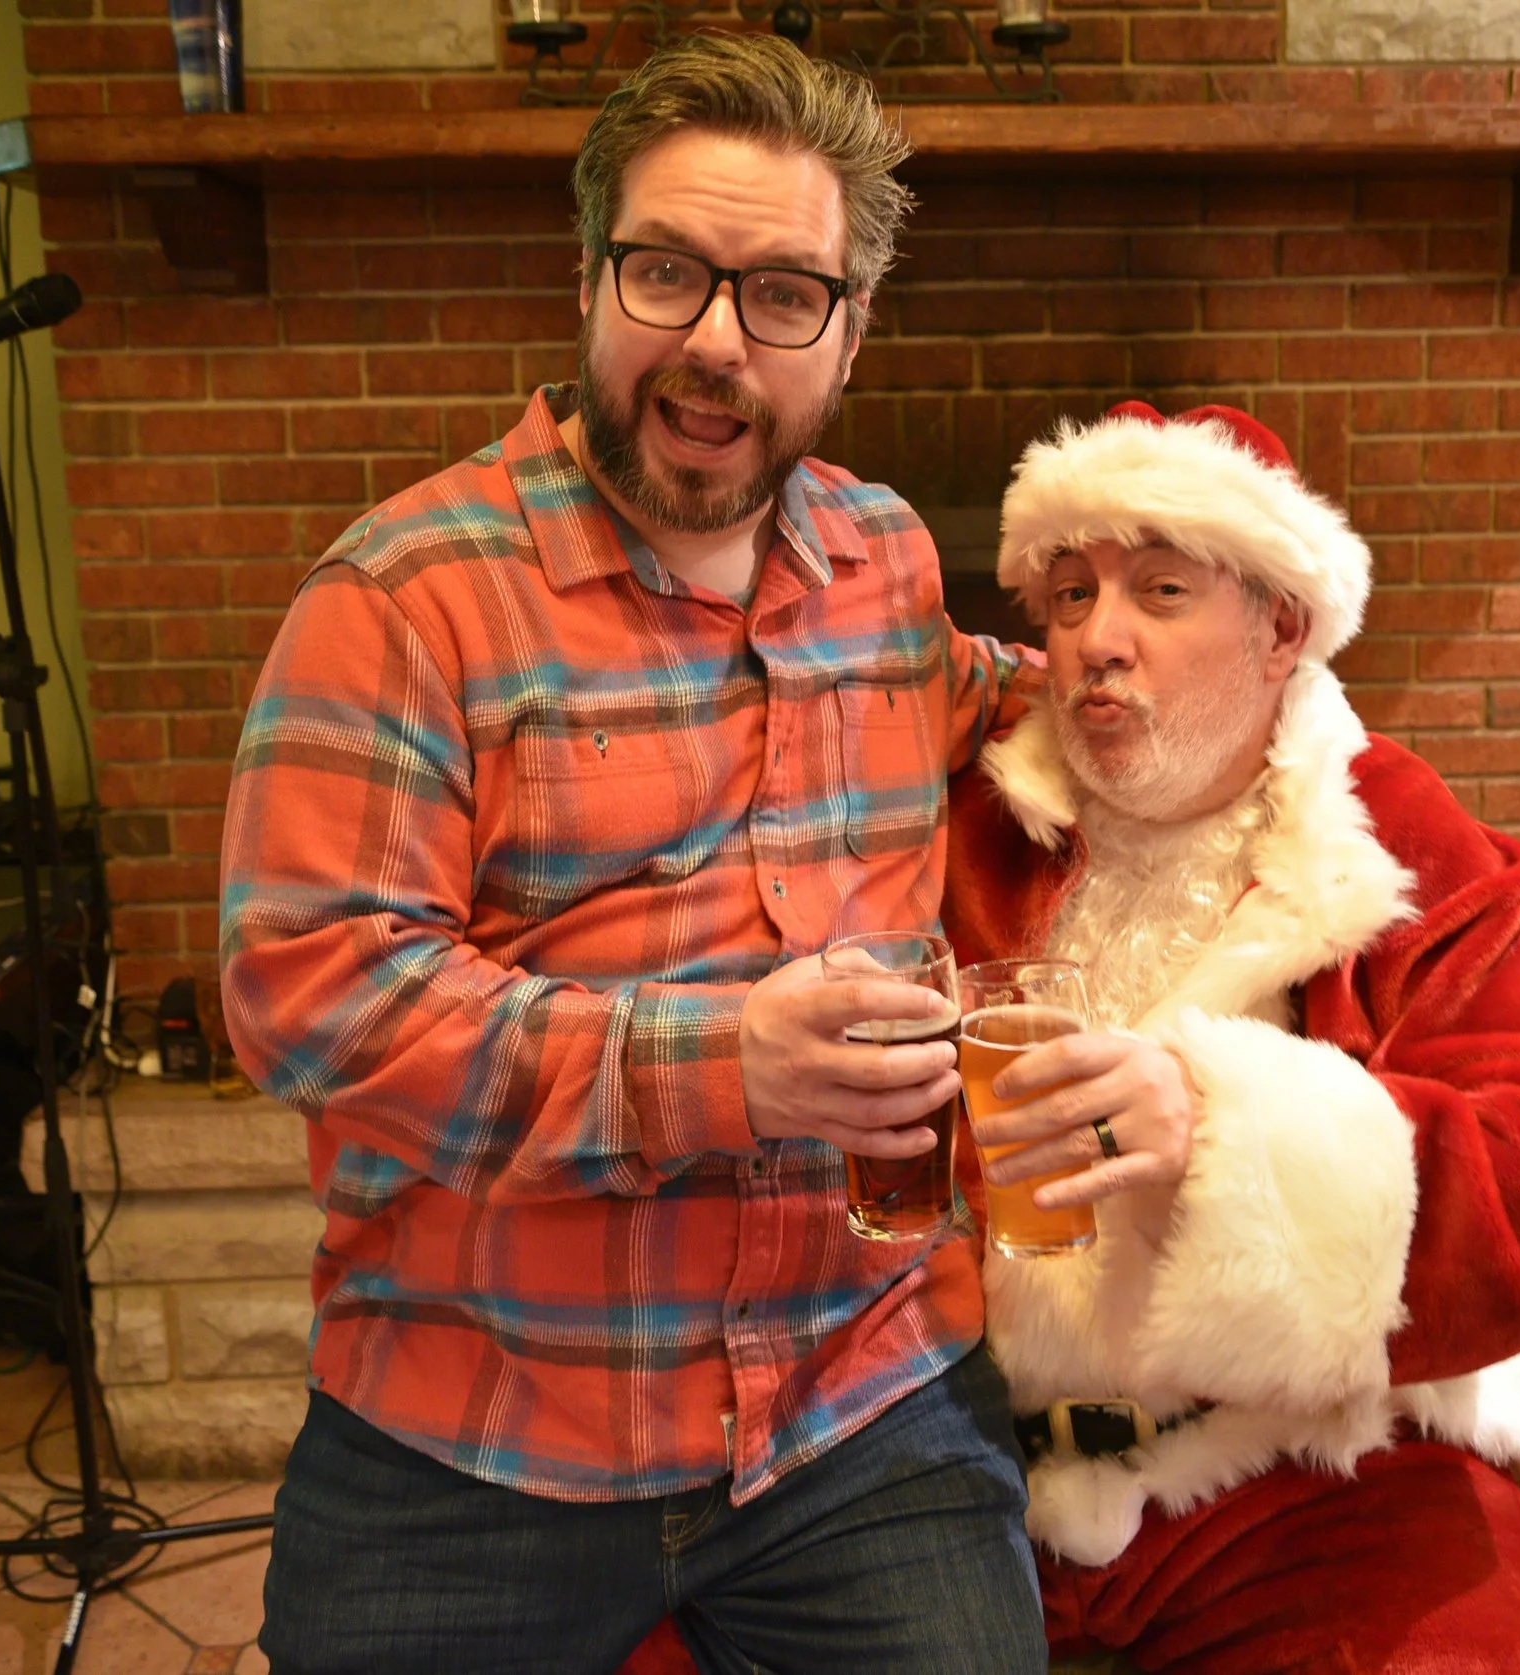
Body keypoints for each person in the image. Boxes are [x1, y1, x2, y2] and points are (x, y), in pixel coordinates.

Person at [218, 34, 1044, 1675]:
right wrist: (723, 1066)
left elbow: (1019, 708)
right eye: (669, 273)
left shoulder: (881, 560)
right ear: (594, 280)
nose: (719, 343)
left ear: (851, 331)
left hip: (855, 1404)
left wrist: (1237, 676)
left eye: (784, 295)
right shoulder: (405, 602)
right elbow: (311, 998)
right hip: (476, 1430)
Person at [939, 401, 1520, 1672]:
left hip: (1287, 1463)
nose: (1098, 639)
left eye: (1160, 590)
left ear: (1281, 628)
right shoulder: (959, 812)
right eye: (1065, 595)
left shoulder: (1395, 843)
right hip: (953, 1452)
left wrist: (1224, 1130)